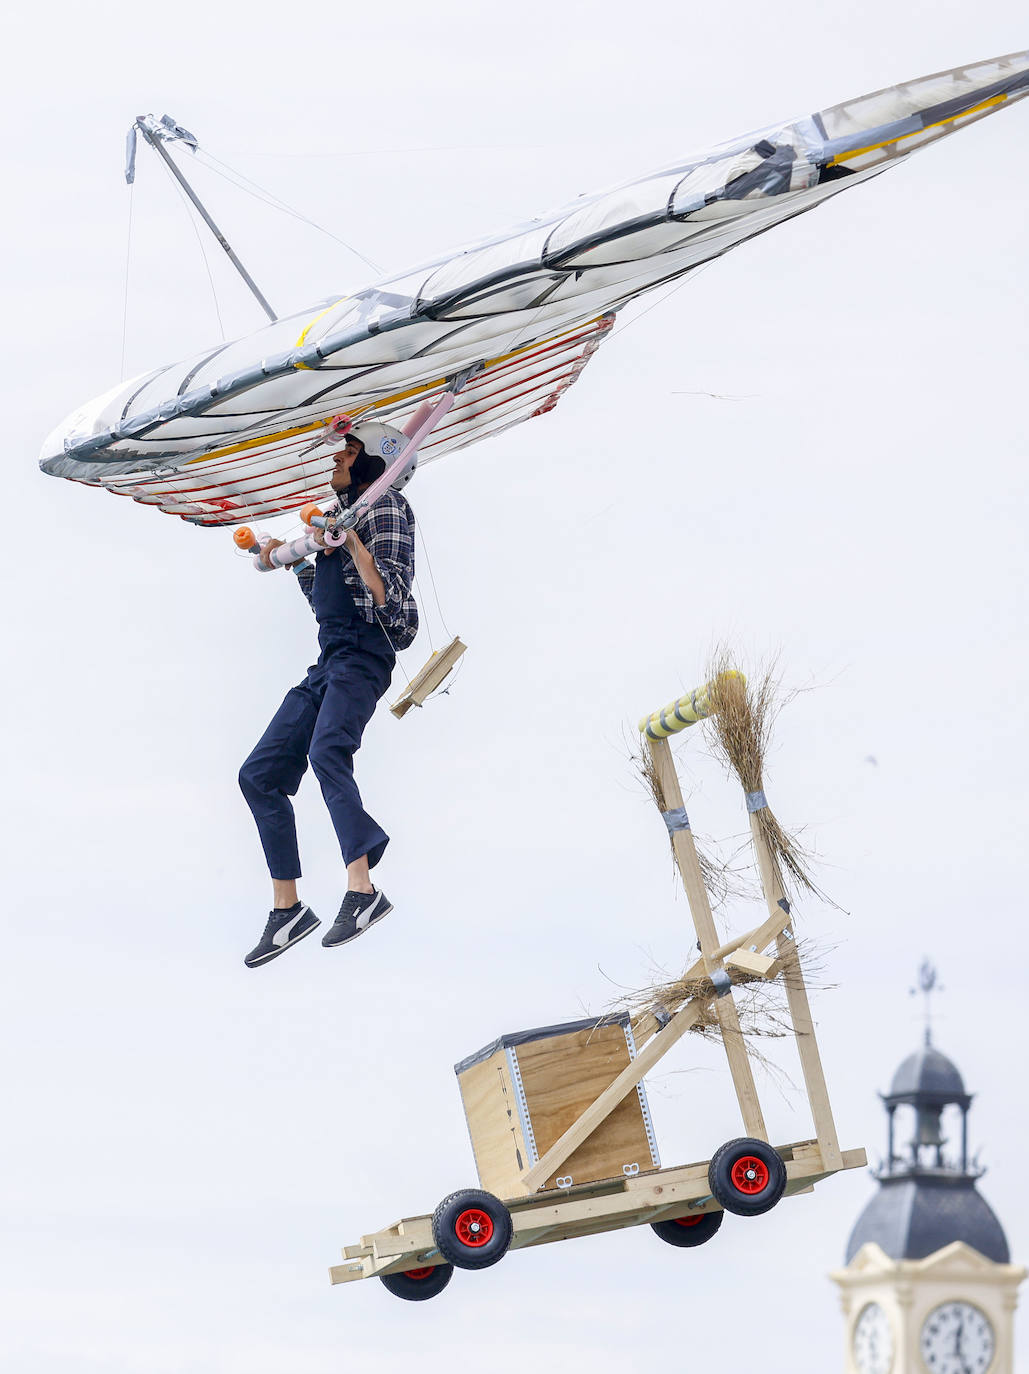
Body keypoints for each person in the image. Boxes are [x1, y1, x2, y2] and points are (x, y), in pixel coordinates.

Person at [238, 422, 418, 968]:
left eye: (350, 450)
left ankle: (362, 891)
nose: (338, 457)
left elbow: (387, 592)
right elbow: (326, 595)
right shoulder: (338, 520)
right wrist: (291, 556)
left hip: (364, 655)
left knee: (326, 752)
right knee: (259, 775)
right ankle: (287, 910)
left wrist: (347, 536)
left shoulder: (385, 510)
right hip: (330, 659)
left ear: (374, 464)